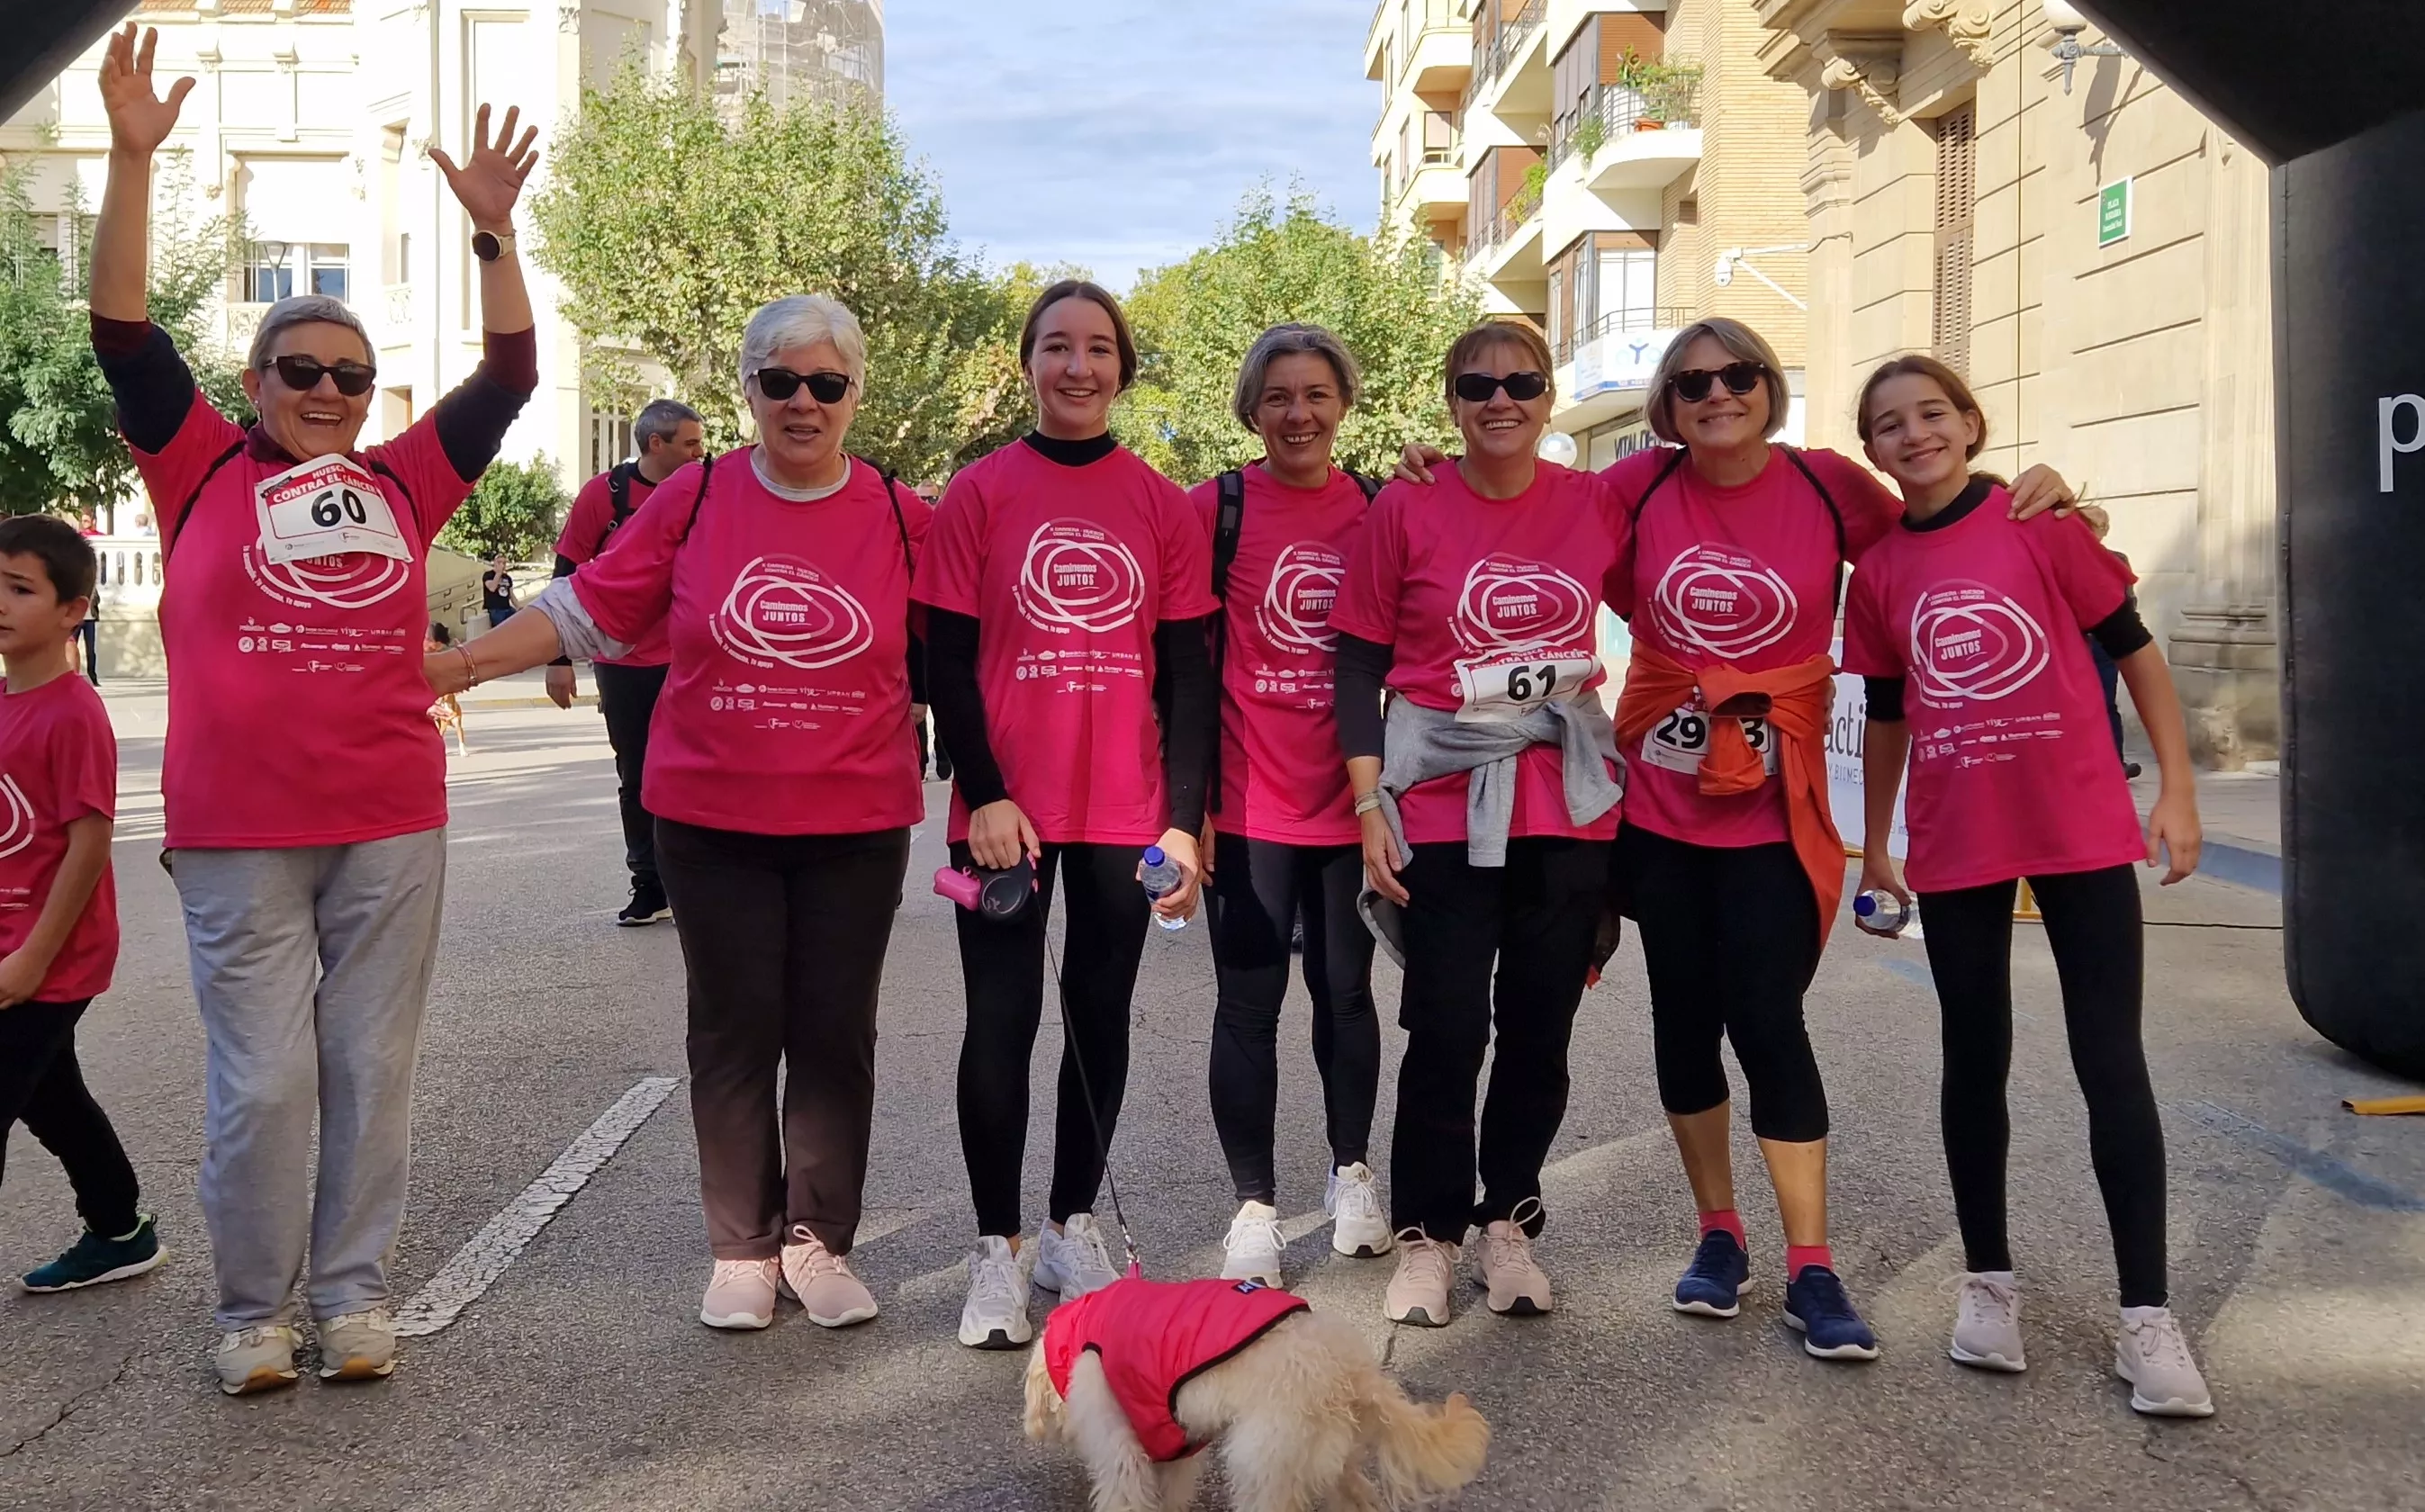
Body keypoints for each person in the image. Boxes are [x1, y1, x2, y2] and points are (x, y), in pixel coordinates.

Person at [1399, 318, 2074, 1360]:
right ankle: (1720, 1235)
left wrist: (2038, 498)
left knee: (1768, 1022)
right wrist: (1437, 468)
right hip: (1660, 811)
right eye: (1695, 381)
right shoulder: (1635, 488)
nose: (1719, 393)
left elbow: (1935, 531)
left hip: (1774, 804)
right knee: (1681, 1026)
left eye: (1741, 375)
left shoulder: (1824, 485)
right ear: (1668, 403)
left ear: (1769, 386)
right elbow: (1524, 509)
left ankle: (1814, 1265)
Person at [88, 22, 540, 1393]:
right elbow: (119, 328)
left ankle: (350, 1299)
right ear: (257, 385)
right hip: (237, 833)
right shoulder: (195, 467)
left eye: (350, 374)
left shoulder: (407, 480)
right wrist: (129, 157)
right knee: (266, 1086)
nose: (330, 392)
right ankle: (249, 1316)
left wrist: (491, 233)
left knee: (368, 1076)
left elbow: (511, 377)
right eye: (303, 371)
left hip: (390, 819)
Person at [429, 295, 927, 1335]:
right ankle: (743, 1250)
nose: (803, 402)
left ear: (853, 397)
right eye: (780, 381)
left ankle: (819, 1243)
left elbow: (978, 632)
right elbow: (586, 607)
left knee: (836, 1035)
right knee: (735, 1031)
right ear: (747, 391)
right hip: (711, 820)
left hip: (854, 820)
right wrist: (462, 664)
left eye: (826, 385)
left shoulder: (893, 509)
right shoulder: (693, 495)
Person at [1845, 354, 2214, 1417]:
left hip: (2082, 830)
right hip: (1959, 844)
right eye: (1888, 425)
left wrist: (2177, 792)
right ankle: (1988, 1285)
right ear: (1871, 449)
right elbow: (1885, 717)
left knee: (2112, 1061)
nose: (1912, 436)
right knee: (1976, 1061)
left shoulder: (2041, 523)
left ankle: (2147, 1317)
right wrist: (1876, 845)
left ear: (1970, 423)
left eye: (1930, 415)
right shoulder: (1877, 574)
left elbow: (2138, 655)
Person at [915, 279, 1217, 1350]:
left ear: (1122, 368)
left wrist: (1182, 821)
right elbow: (947, 659)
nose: (1078, 367)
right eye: (1056, 347)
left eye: (1098, 348)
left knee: (1098, 1017)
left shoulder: (1161, 502)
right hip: (1004, 814)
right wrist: (984, 792)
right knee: (1000, 1023)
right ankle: (994, 1250)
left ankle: (1065, 1225)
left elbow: (1186, 672)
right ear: (1029, 363)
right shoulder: (979, 493)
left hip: (1125, 809)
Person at [1334, 321, 1626, 1329]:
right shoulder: (1407, 508)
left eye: (1522, 383)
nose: (1501, 400)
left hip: (1566, 808)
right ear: (1451, 402)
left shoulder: (1597, 502)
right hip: (1442, 806)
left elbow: (1711, 534)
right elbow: (1359, 662)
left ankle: (1507, 1219)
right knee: (1447, 1027)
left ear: (1550, 398)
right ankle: (1429, 1235)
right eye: (1477, 384)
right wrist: (1369, 802)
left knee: (1540, 1031)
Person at [1188, 325, 1389, 1286]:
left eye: (1315, 394)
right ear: (1252, 409)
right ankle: (1256, 1209)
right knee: (1247, 1007)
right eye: (1278, 397)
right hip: (1250, 802)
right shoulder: (1215, 508)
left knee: (1347, 997)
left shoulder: (1387, 508)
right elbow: (1174, 661)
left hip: (1357, 805)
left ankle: (1352, 1174)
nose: (1298, 414)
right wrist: (1189, 809)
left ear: (1343, 403)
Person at [0, 518, 164, 1296]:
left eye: (19, 589)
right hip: (10, 950)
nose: (0, 602)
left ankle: (118, 1227)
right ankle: (119, 1229)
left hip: (51, 958)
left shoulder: (72, 711)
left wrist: (33, 957)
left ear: (74, 609)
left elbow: (88, 843)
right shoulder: (5, 702)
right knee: (52, 1098)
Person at [545, 399, 708, 925]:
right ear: (655, 445)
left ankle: (698, 884)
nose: (700, 453)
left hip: (692, 659)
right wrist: (558, 657)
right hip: (624, 661)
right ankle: (649, 884)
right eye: (690, 444)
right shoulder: (605, 495)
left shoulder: (706, 491)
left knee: (697, 773)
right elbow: (567, 572)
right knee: (636, 775)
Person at [482, 554, 517, 630]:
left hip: (507, 608)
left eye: (504, 563)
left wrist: (519, 607)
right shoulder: (488, 575)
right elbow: (492, 588)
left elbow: (511, 595)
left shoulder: (507, 578)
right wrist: (498, 573)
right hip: (495, 610)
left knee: (517, 623)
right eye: (499, 562)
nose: (502, 565)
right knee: (502, 629)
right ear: (494, 563)